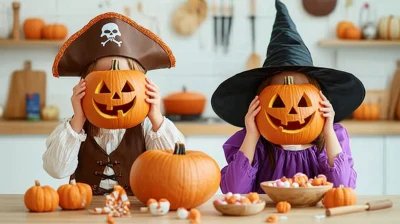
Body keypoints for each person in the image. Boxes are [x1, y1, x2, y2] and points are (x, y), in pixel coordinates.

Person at [210, 0, 365, 194]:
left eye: (302, 99)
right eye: (278, 100)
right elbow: (235, 191)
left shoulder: (333, 137)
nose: (292, 110)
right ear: (259, 101)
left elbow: (344, 188)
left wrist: (328, 133)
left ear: (319, 98)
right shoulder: (252, 141)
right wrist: (251, 135)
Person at [43, 12, 185, 195]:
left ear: (142, 84)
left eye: (125, 87)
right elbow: (56, 170)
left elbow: (174, 166)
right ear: (84, 83)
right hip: (84, 211)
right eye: (103, 84)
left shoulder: (148, 127)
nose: (114, 95)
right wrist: (78, 118)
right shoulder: (75, 129)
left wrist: (156, 116)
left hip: (133, 211)